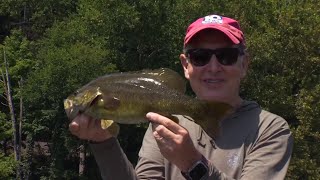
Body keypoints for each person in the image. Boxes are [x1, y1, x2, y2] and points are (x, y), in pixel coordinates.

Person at [69, 14, 293, 179]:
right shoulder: (166, 121)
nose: (213, 67)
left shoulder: (269, 129)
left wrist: (194, 164)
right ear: (186, 66)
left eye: (226, 56)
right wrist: (104, 142)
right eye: (200, 57)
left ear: (244, 64)